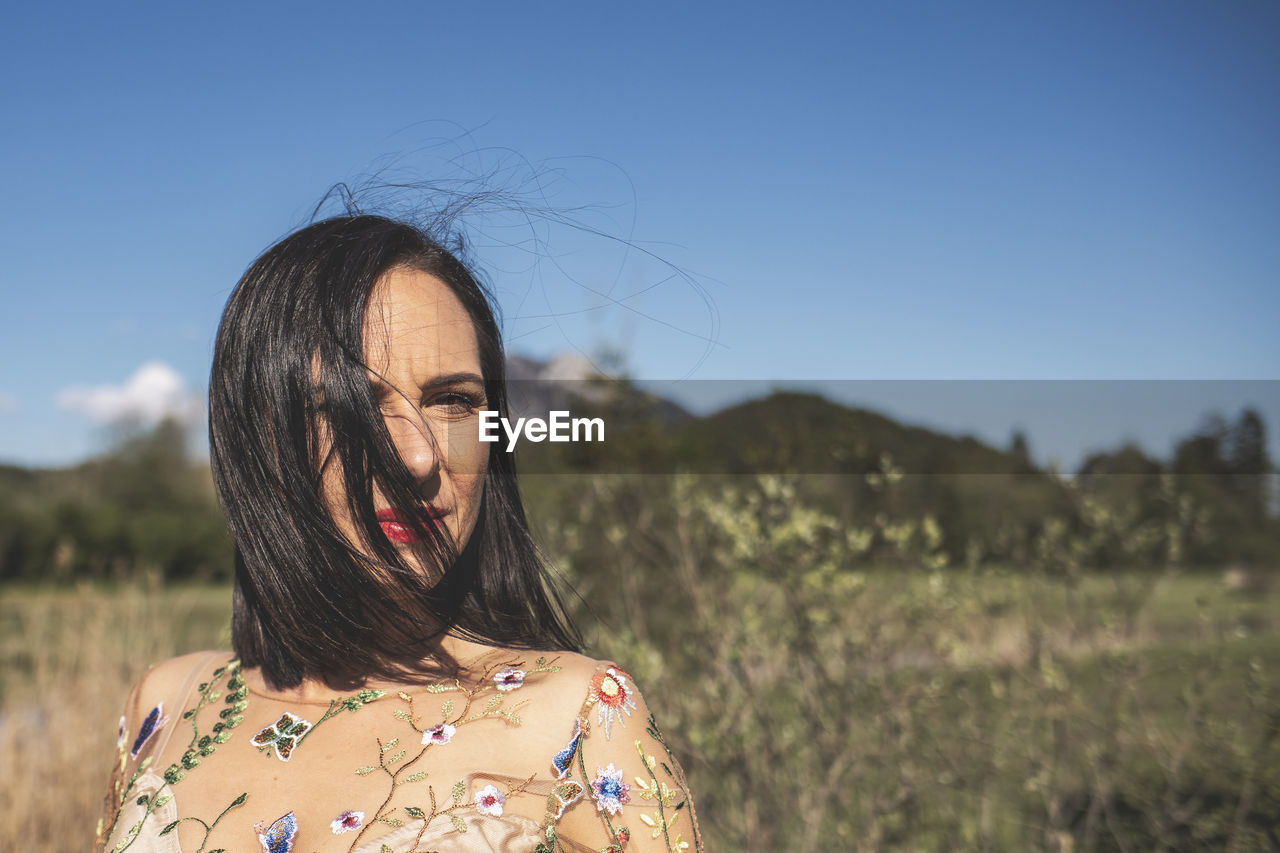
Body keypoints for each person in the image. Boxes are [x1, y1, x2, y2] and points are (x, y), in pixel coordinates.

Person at [96, 214, 700, 853]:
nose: (415, 457)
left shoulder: (579, 720)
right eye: (349, 408)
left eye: (453, 402)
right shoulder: (167, 705)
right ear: (257, 444)